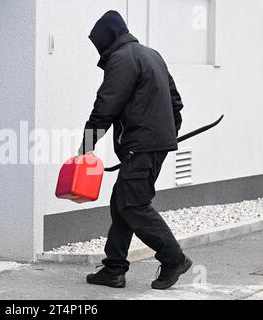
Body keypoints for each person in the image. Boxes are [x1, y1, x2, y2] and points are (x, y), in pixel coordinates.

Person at [79, 11, 192, 290]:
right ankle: (114, 269)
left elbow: (106, 106)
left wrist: (86, 144)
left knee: (133, 205)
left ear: (108, 38)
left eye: (99, 43)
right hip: (152, 144)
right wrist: (166, 134)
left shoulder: (121, 60)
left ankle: (173, 258)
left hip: (141, 146)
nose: (99, 49)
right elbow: (175, 102)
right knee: (122, 203)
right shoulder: (151, 55)